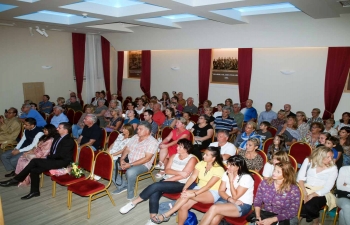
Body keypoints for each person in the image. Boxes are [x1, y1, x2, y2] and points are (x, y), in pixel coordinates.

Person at [119, 139, 197, 225]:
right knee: (155, 191)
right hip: (167, 180)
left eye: (180, 146)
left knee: (156, 186)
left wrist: (168, 180)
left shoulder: (192, 159)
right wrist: (178, 172)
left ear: (186, 149)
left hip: (181, 183)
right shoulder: (173, 156)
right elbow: (167, 170)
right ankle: (153, 219)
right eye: (178, 146)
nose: (177, 148)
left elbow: (183, 176)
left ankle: (133, 202)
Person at [150, 146, 225, 224]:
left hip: (211, 192)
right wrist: (185, 188)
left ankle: (166, 215)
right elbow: (193, 177)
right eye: (204, 154)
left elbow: (208, 186)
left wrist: (193, 193)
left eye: (206, 155)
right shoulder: (201, 163)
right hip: (198, 188)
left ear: (213, 158)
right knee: (183, 206)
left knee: (186, 195)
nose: (203, 156)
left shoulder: (219, 169)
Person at [0, 122, 75, 200]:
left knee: (35, 161)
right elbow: (48, 137)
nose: (57, 129)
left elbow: (61, 155)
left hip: (61, 162)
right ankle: (35, 191)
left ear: (65, 130)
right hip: (53, 159)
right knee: (34, 170)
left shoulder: (69, 141)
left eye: (59, 128)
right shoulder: (57, 136)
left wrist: (47, 157)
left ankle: (16, 179)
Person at [199, 155, 254, 225]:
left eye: (231, 165)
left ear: (238, 167)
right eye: (228, 164)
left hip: (242, 204)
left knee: (214, 208)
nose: (227, 167)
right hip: (226, 198)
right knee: (215, 218)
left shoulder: (246, 177)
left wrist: (231, 181)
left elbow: (235, 197)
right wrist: (229, 199)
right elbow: (221, 191)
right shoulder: (226, 173)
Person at [113, 122, 158, 200]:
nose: (137, 131)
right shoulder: (135, 137)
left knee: (130, 172)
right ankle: (122, 186)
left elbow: (147, 159)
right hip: (129, 161)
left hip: (143, 165)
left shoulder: (152, 142)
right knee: (111, 165)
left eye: (140, 129)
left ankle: (130, 193)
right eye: (138, 129)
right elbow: (127, 149)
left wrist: (130, 165)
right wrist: (122, 159)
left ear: (147, 131)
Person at [297, 146, 338, 224]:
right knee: (298, 202)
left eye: (331, 157)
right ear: (320, 156)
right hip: (305, 188)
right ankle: (315, 218)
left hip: (322, 191)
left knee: (309, 205)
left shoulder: (333, 168)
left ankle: (300, 220)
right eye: (328, 157)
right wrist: (305, 194)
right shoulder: (309, 161)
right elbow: (300, 179)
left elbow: (328, 187)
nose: (331, 159)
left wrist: (312, 195)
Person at [106, 124, 134, 189]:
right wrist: (107, 151)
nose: (122, 130)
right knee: (101, 159)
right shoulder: (120, 135)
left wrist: (111, 155)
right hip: (112, 152)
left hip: (119, 156)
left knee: (109, 166)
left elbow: (122, 151)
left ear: (128, 131)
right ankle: (122, 185)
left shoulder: (131, 139)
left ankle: (122, 185)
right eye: (122, 128)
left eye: (124, 129)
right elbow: (113, 143)